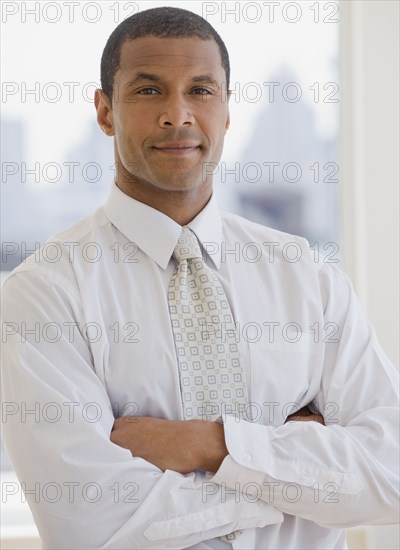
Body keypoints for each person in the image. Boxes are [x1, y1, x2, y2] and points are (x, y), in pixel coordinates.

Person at [1, 7, 398, 550]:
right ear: (104, 111)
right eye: (148, 91)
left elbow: (393, 474)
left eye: (202, 90)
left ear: (228, 110)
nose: (178, 114)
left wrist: (211, 445)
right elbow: (89, 524)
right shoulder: (44, 292)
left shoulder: (305, 276)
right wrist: (301, 472)